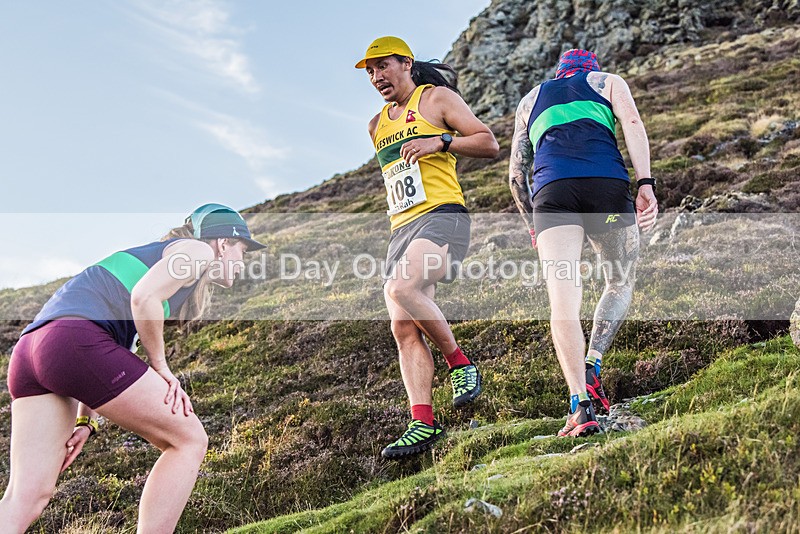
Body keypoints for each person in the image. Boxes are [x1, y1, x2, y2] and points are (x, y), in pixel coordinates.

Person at [0, 204, 266, 532]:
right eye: (242, 251)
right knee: (189, 439)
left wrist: (86, 421)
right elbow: (143, 298)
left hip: (31, 351)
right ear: (223, 243)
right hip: (74, 342)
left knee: (26, 497)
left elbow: (116, 343)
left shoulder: (155, 259)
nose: (242, 262)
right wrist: (161, 367)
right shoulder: (198, 251)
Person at [355, 36, 499, 458]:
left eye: (383, 66)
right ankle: (423, 422)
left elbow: (488, 143)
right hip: (402, 227)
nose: (377, 76)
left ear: (406, 64)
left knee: (401, 288)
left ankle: (461, 364)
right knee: (403, 328)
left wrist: (442, 142)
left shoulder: (436, 99)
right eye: (370, 71)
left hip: (443, 216)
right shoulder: (376, 124)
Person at [508, 49, 658, 437]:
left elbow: (515, 177)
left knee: (563, 300)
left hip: (552, 196)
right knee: (619, 281)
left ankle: (580, 407)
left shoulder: (530, 100)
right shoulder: (607, 82)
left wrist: (532, 227)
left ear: (558, 73)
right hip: (605, 190)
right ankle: (593, 360)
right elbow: (634, 123)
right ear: (590, 69)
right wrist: (645, 184)